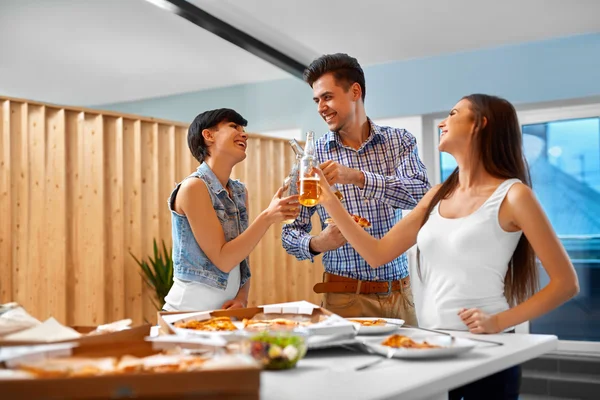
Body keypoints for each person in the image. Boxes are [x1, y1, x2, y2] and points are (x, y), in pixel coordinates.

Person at [314, 94, 579, 399]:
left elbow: (565, 284)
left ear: (480, 124)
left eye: (453, 113)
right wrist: (329, 201)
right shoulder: (438, 194)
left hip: (487, 349)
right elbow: (378, 254)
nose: (442, 122)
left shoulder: (514, 196)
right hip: (432, 346)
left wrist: (498, 322)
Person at [282, 53, 431, 322]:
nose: (320, 107)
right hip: (343, 299)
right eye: (317, 100)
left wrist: (358, 177)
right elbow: (290, 232)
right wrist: (317, 243)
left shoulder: (399, 142)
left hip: (399, 296)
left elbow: (421, 194)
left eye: (327, 97)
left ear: (354, 91)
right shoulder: (310, 159)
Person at [163, 108, 300, 312]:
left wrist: (242, 297)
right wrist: (267, 217)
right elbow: (223, 259)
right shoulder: (194, 188)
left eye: (243, 129)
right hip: (185, 314)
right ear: (208, 135)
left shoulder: (238, 191)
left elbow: (241, 256)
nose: (244, 134)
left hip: (222, 315)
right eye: (234, 127)